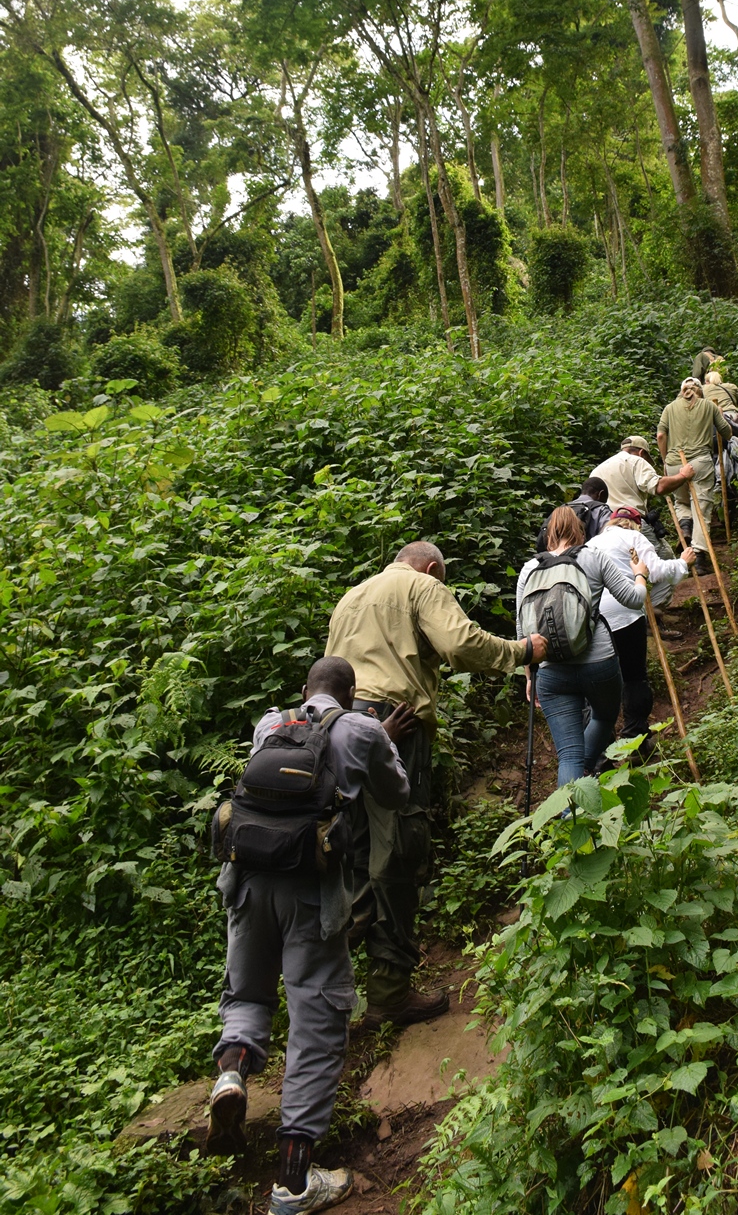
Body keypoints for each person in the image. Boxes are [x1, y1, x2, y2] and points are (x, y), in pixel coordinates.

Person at [209, 655, 414, 1215]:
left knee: (247, 996)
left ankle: (231, 1076)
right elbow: (395, 794)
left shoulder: (270, 724)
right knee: (317, 1023)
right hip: (311, 892)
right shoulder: (361, 727)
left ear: (305, 689)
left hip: (247, 883)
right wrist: (382, 739)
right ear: (349, 695)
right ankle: (294, 1185)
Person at [325, 541, 547, 1026]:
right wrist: (521, 650)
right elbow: (460, 644)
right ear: (430, 569)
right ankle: (388, 994)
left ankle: (327, 991)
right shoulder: (421, 585)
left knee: (354, 857)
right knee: (398, 853)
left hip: (338, 729)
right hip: (394, 724)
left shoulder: (352, 596)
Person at [515, 506, 649, 785]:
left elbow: (521, 631)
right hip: (599, 663)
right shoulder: (593, 556)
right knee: (603, 717)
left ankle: (571, 807)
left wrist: (530, 677)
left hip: (551, 670)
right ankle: (583, 774)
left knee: (568, 756)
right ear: (580, 531)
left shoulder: (530, 568)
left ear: (548, 533)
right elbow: (634, 599)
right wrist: (640, 574)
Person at [593, 507, 695, 750]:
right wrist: (683, 562)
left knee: (600, 680)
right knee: (634, 676)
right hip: (626, 611)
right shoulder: (634, 537)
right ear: (635, 524)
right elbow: (657, 571)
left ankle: (600, 747)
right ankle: (635, 738)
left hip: (595, 615)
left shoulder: (591, 543)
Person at [656, 379, 733, 574]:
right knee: (702, 507)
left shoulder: (669, 408)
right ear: (700, 391)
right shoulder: (709, 406)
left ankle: (685, 526)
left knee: (681, 502)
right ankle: (698, 556)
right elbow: (727, 433)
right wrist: (720, 417)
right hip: (700, 462)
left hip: (674, 463)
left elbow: (660, 436)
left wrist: (665, 461)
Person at [591, 437, 694, 547]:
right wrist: (683, 475)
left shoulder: (597, 470)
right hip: (631, 522)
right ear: (641, 452)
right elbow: (659, 487)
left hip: (606, 528)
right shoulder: (636, 461)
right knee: (663, 557)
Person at [535, 476, 611, 553]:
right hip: (588, 559)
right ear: (600, 494)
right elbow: (609, 540)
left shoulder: (560, 510)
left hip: (554, 559)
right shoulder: (602, 510)